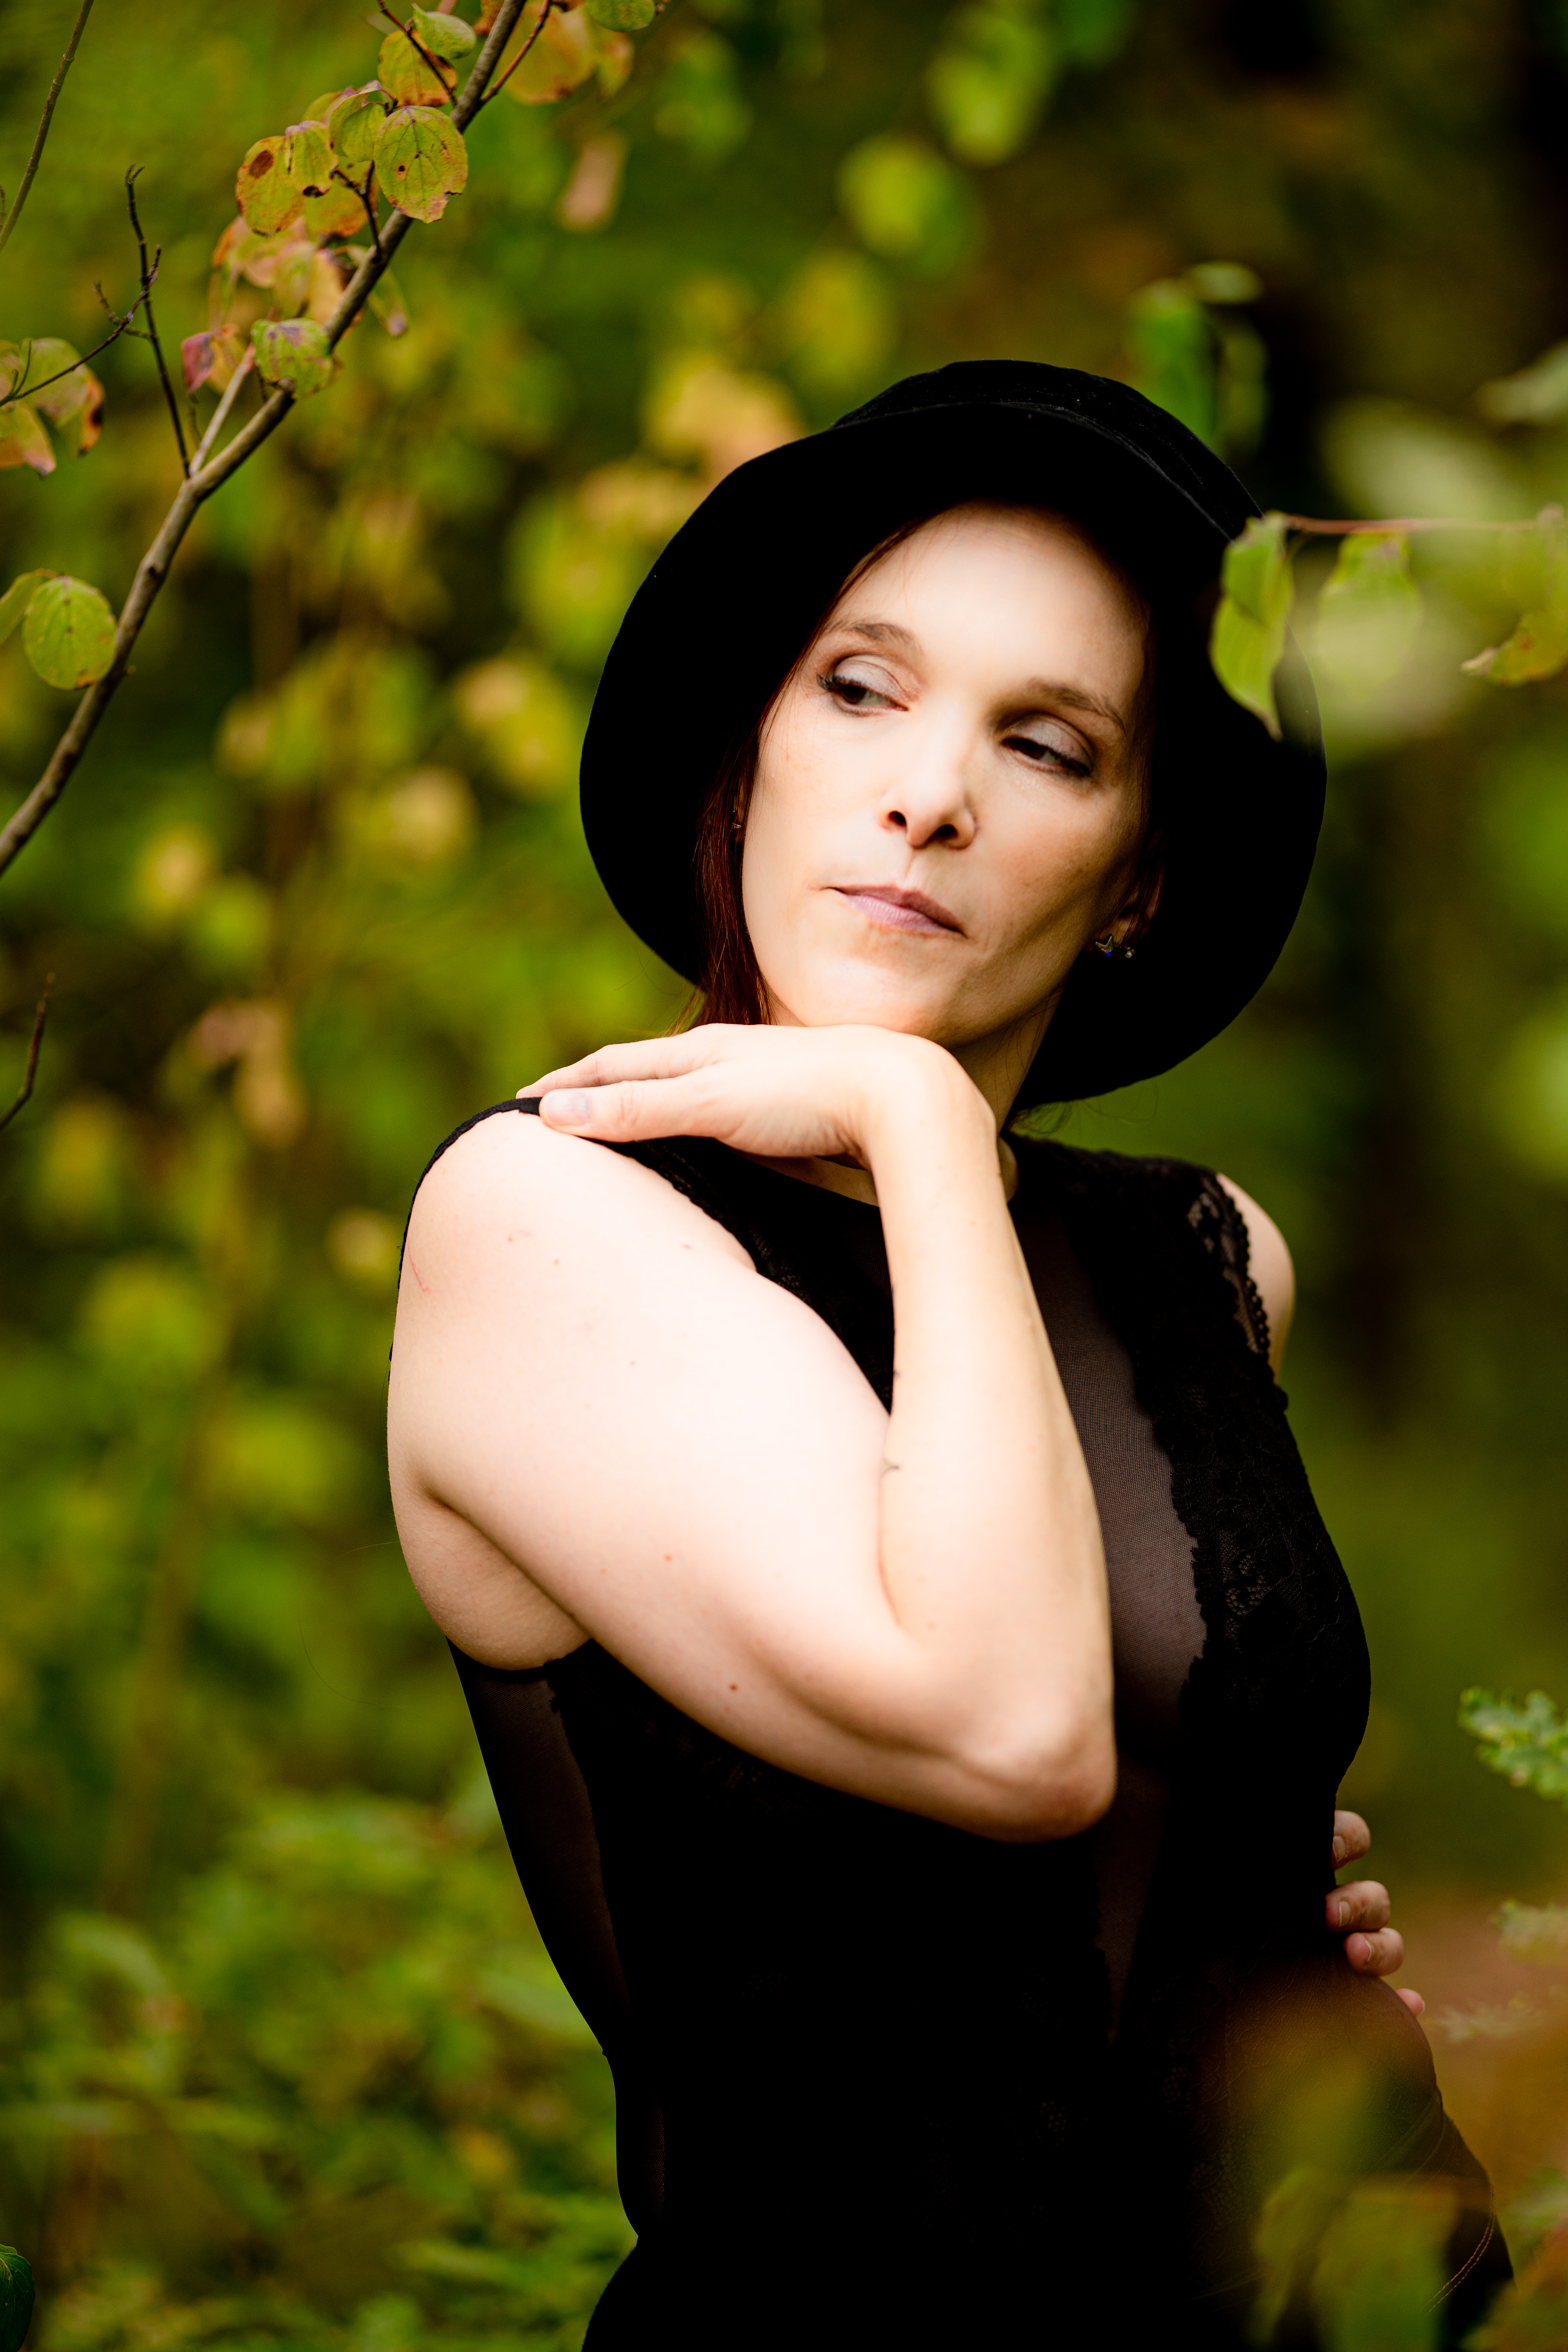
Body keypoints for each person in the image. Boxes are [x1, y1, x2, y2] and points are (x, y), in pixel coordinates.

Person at [388, 364, 1508, 2347]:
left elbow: (1159, 1827)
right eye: (862, 689)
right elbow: (1012, 1732)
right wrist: (912, 1116)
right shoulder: (544, 1221)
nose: (930, 793)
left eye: (1049, 744)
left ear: (1139, 875)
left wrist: (1252, 1912)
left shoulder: (1203, 1261)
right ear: (752, 740)